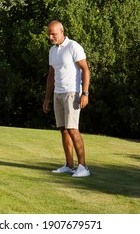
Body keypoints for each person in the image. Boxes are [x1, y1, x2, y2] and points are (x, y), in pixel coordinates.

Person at [43, 20, 91, 177]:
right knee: (63, 130)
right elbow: (51, 75)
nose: (51, 37)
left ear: (62, 31)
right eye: (49, 34)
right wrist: (47, 98)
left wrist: (85, 93)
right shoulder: (52, 51)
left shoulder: (73, 47)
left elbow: (85, 69)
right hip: (58, 93)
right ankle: (69, 165)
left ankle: (83, 167)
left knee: (72, 129)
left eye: (53, 34)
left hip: (73, 93)